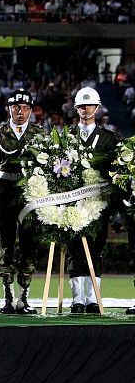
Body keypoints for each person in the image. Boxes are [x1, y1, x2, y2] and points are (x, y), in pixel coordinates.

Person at [0, 89, 46, 314]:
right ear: (9, 108)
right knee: (5, 247)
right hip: (4, 195)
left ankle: (24, 297)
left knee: (30, 246)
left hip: (31, 195)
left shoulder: (40, 134)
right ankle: (8, 297)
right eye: (16, 107)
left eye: (25, 108)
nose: (20, 112)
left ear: (31, 110)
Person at [67, 87, 118, 313]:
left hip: (99, 205)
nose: (86, 109)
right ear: (76, 108)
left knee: (96, 249)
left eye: (90, 106)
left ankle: (93, 297)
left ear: (97, 108)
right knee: (75, 249)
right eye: (81, 106)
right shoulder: (66, 136)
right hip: (72, 204)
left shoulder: (109, 138)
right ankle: (77, 298)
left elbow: (115, 174)